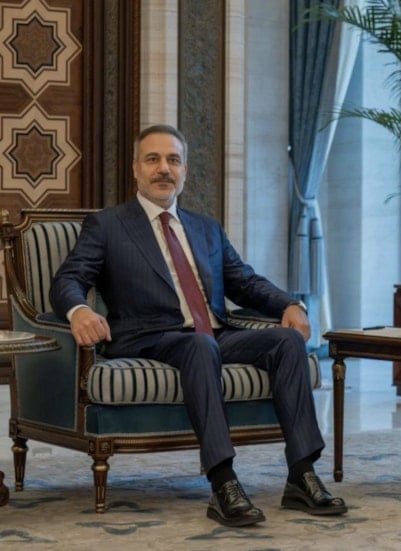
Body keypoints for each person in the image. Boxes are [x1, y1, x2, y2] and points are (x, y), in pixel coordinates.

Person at [50, 124, 347, 527]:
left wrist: (289, 304)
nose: (164, 168)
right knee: (199, 345)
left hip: (214, 334)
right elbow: (68, 279)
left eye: (173, 160)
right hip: (148, 337)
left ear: (185, 170)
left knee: (286, 341)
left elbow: (244, 282)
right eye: (153, 159)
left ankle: (302, 475)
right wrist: (79, 311)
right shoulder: (108, 225)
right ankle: (223, 483)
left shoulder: (205, 227)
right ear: (135, 168)